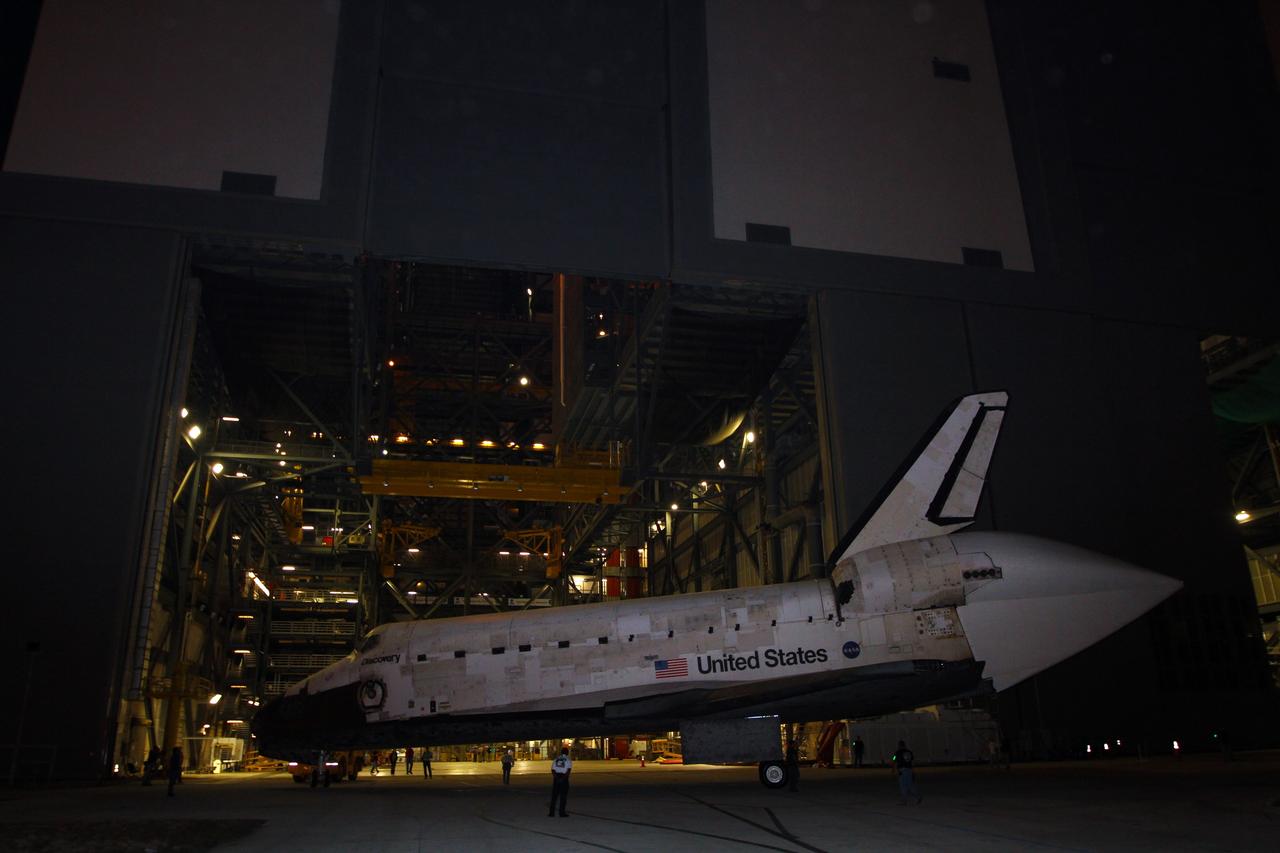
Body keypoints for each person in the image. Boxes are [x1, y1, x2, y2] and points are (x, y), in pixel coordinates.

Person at [892, 740, 921, 804]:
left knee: (903, 785)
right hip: (909, 770)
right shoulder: (909, 752)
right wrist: (913, 771)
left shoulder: (897, 752)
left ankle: (904, 800)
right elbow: (913, 762)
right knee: (910, 784)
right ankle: (918, 796)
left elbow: (893, 759)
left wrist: (893, 768)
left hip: (902, 770)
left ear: (899, 745)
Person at [548, 746, 572, 816]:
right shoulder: (568, 760)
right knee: (563, 797)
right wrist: (563, 779)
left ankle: (551, 813)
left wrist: (557, 778)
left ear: (561, 752)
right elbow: (568, 771)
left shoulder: (556, 759)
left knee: (554, 797)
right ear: (567, 753)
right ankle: (561, 813)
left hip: (556, 777)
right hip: (564, 778)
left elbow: (552, 770)